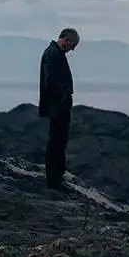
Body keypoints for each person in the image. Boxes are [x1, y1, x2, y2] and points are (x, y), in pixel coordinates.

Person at [38, 27, 79, 191]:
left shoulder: (55, 53)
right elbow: (50, 80)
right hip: (57, 107)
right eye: (73, 45)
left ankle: (57, 176)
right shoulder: (53, 54)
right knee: (56, 141)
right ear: (66, 40)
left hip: (58, 106)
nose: (73, 49)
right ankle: (54, 180)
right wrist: (62, 96)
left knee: (59, 140)